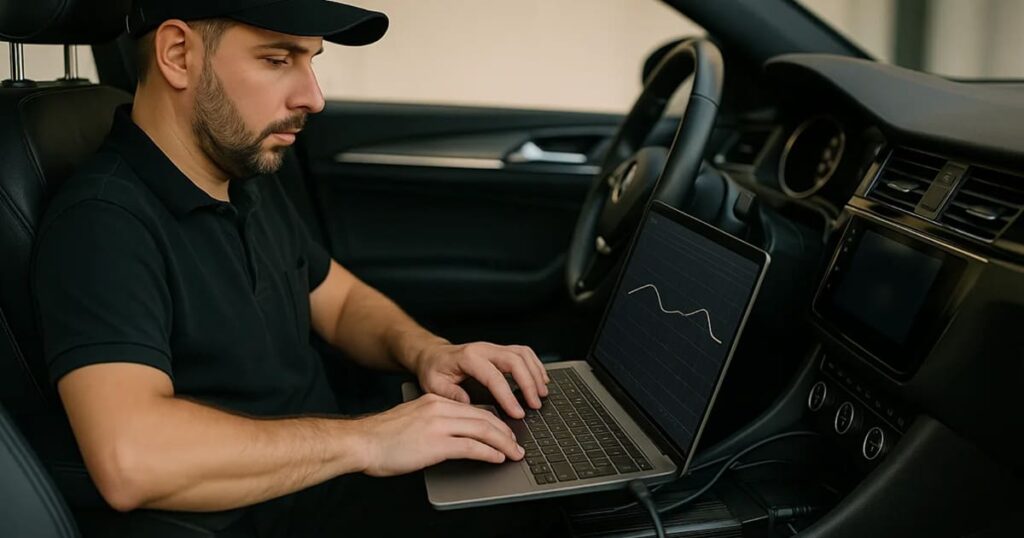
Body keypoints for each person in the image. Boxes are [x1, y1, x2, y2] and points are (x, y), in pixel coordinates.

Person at [32, 0, 561, 535]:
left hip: (341, 475)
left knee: (576, 492)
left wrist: (427, 351)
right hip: (274, 516)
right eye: (278, 59)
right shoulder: (103, 224)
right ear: (177, 54)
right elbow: (133, 460)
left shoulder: (241, 173)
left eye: (312, 60)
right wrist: (370, 440)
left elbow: (341, 300)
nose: (314, 97)